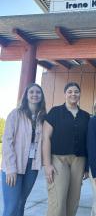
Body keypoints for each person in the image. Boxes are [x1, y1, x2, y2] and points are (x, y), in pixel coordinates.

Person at [42, 82, 90, 216]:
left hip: (79, 161)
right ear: (65, 94)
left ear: (80, 94)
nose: (73, 94)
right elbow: (46, 138)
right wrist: (47, 165)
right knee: (57, 200)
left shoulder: (86, 116)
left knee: (73, 200)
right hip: (58, 159)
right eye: (70, 91)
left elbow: (88, 142)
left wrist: (87, 166)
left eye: (76, 91)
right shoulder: (55, 112)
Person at [1, 83, 46, 216]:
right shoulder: (16, 114)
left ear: (42, 96)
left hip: (32, 166)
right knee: (12, 206)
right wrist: (10, 168)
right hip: (14, 165)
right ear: (26, 95)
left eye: (38, 92)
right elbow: (7, 142)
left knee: (21, 202)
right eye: (31, 92)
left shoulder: (42, 117)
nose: (34, 95)